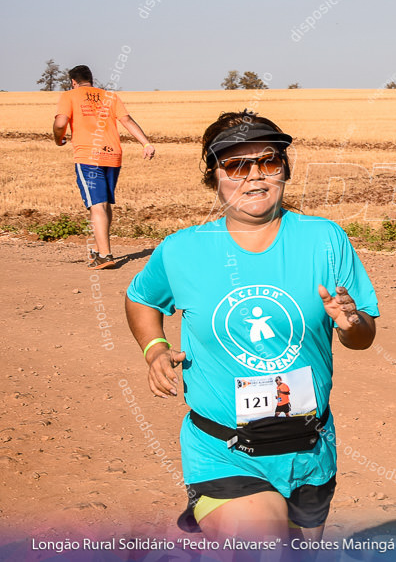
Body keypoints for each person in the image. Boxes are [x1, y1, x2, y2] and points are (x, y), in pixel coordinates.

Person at [124, 110, 379, 542]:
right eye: (237, 165)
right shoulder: (183, 250)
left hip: (310, 450)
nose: (254, 176)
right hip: (224, 452)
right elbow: (141, 298)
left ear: (285, 169)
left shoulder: (325, 239)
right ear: (213, 175)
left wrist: (352, 323)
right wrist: (154, 348)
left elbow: (363, 337)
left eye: (268, 161)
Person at [52, 65, 156, 269]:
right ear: (91, 79)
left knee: (96, 204)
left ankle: (105, 255)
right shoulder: (110, 96)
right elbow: (127, 120)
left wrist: (58, 139)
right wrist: (146, 143)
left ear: (73, 81)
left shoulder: (70, 95)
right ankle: (101, 250)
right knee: (105, 203)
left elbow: (60, 122)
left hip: (88, 155)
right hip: (113, 155)